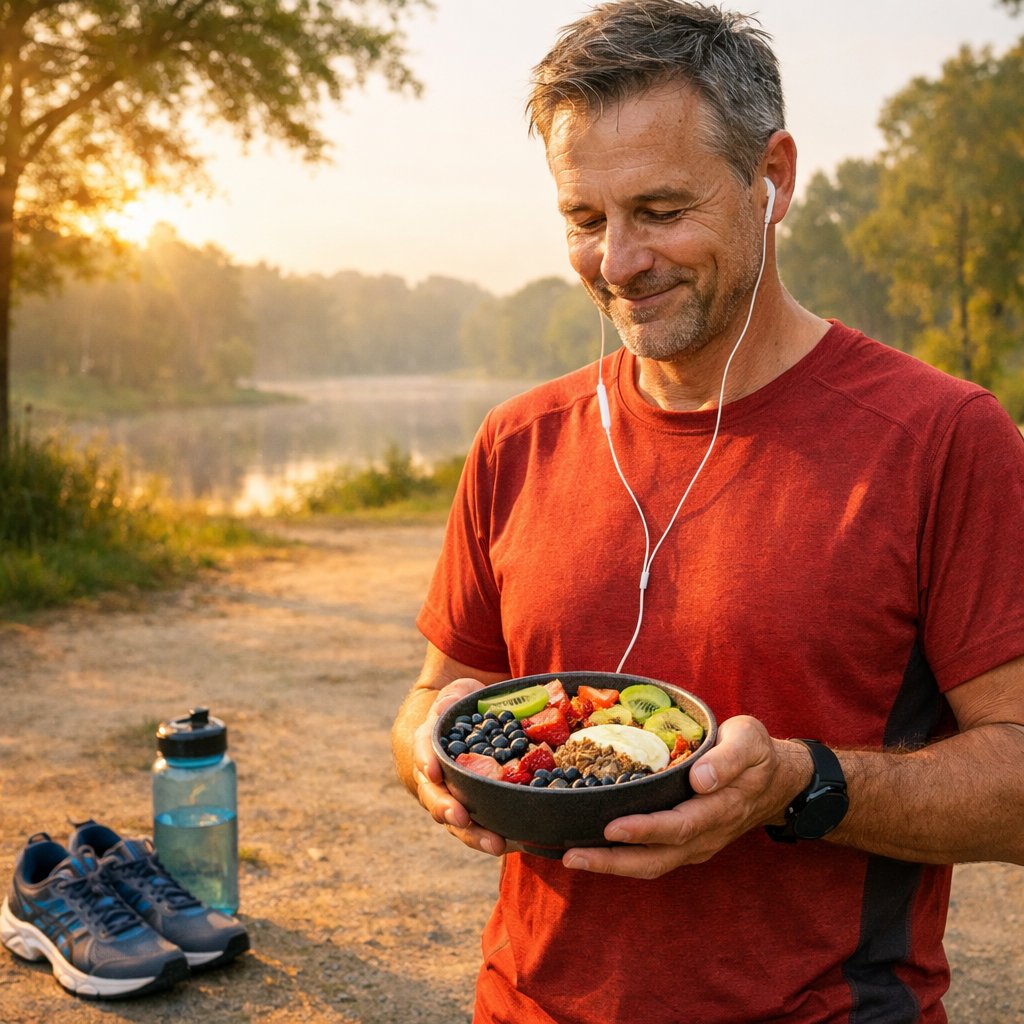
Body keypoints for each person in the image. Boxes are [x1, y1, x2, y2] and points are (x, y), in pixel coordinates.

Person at [391, 2, 1024, 1021]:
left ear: (771, 180)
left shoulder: (942, 437)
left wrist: (799, 783)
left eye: (660, 209)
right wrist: (430, 759)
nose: (619, 261)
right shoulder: (516, 440)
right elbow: (441, 692)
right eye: (584, 220)